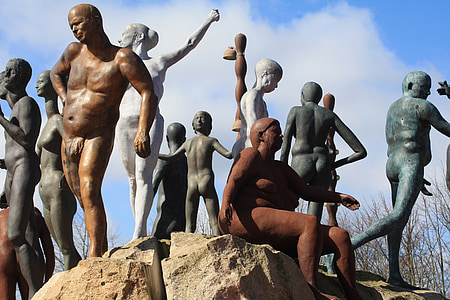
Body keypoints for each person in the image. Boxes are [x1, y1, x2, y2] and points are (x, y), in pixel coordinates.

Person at [50, 4, 158, 257]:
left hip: (97, 132)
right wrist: (65, 98)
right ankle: (99, 244)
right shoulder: (73, 52)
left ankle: (96, 254)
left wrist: (143, 130)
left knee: (89, 189)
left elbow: (147, 92)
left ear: (96, 20)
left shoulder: (122, 58)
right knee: (81, 194)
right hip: (69, 135)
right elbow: (55, 74)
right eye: (71, 26)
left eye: (79, 23)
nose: (75, 30)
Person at [219, 118, 362, 300]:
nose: (281, 135)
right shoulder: (251, 155)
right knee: (309, 222)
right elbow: (234, 180)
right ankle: (310, 290)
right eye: (275, 131)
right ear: (261, 136)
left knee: (340, 236)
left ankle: (353, 295)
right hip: (242, 219)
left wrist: (339, 197)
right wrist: (226, 204)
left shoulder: (281, 169)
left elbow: (307, 191)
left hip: (272, 228)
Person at [117, 9, 219, 240]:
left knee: (143, 174)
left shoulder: (157, 63)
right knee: (132, 179)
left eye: (124, 34)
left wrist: (208, 20)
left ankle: (138, 232)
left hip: (150, 121)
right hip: (122, 123)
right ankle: (139, 228)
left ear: (138, 37)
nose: (119, 39)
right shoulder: (120, 66)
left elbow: (189, 44)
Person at [351, 71, 450, 288]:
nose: (428, 92)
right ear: (411, 85)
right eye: (425, 87)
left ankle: (394, 275)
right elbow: (446, 128)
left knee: (399, 223)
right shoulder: (423, 106)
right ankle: (345, 247)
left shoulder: (393, 107)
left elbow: (406, 135)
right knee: (398, 217)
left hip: (394, 164)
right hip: (409, 163)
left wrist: (416, 175)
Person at [280, 82, 366, 221]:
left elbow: (286, 143)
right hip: (323, 164)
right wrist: (333, 166)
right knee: (313, 220)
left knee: (286, 203)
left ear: (302, 96)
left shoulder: (295, 111)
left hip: (301, 161)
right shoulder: (329, 115)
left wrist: (281, 170)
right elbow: (360, 151)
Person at [0, 58, 45, 299]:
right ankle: (35, 290)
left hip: (25, 171)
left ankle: (35, 290)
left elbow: (27, 140)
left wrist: (1, 119)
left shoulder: (26, 104)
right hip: (14, 172)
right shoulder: (16, 109)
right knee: (28, 234)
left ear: (11, 75)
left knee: (16, 234)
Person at [36, 70, 81, 270]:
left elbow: (73, 148)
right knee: (63, 246)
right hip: (45, 190)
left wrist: (70, 177)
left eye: (41, 81)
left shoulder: (58, 121)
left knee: (65, 247)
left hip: (58, 187)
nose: (37, 85)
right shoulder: (48, 122)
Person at [159, 111, 232, 235]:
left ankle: (187, 246)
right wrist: (240, 146)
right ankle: (218, 243)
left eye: (202, 118)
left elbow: (171, 157)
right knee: (214, 221)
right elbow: (228, 154)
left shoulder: (188, 143)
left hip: (192, 184)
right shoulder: (211, 141)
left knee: (190, 224)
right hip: (205, 181)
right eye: (197, 118)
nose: (199, 120)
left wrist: (155, 154)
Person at [0, 207, 54, 300]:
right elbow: (50, 254)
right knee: (32, 296)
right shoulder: (37, 216)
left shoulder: (1, 216)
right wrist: (47, 280)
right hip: (27, 258)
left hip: (3, 258)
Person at [232, 58, 282, 158]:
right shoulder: (252, 95)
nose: (276, 86)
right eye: (275, 80)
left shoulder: (260, 100)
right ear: (265, 74)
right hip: (249, 145)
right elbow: (253, 124)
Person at [151, 122, 188, 239]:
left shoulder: (164, 161)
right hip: (182, 219)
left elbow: (153, 187)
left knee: (156, 250)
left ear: (167, 138)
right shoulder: (189, 163)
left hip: (164, 217)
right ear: (184, 140)